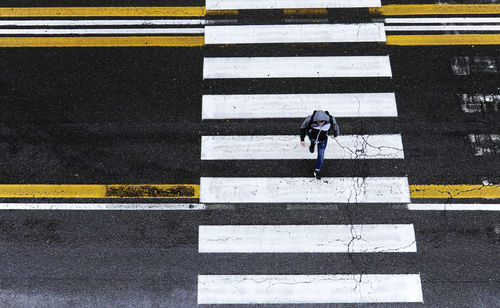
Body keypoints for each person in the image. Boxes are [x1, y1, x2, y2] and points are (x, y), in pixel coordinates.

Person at [300, 110, 340, 180]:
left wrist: (336, 133)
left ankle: (317, 170)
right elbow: (303, 128)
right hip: (312, 137)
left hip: (323, 139)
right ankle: (312, 144)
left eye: (322, 122)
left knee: (321, 155)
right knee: (313, 142)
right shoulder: (309, 119)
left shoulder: (330, 119)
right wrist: (302, 139)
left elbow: (335, 126)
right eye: (319, 122)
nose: (321, 124)